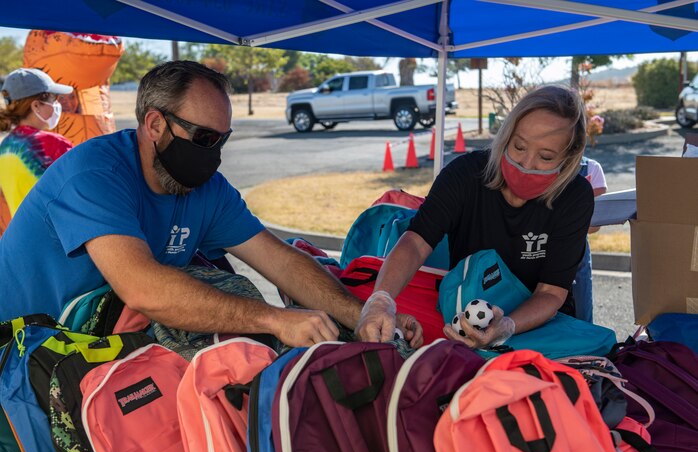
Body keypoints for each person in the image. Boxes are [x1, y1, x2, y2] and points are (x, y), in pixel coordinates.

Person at [0, 61, 422, 348]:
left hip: (96, 347)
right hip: (23, 351)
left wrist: (364, 314)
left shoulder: (205, 188)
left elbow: (283, 262)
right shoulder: (94, 175)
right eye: (203, 138)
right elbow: (143, 288)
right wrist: (274, 319)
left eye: (222, 140)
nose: (214, 154)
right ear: (154, 124)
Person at [355, 85, 593, 349]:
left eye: (546, 157)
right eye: (519, 146)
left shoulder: (575, 197)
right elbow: (416, 241)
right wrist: (381, 299)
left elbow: (551, 292)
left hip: (539, 326)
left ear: (569, 158)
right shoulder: (464, 175)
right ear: (506, 135)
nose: (527, 163)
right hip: (463, 318)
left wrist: (507, 326)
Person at [0, 68, 74, 236]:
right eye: (53, 98)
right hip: (59, 243)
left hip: (24, 241)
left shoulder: (5, 146)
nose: (58, 105)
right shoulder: (52, 143)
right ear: (36, 105)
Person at [572, 156, 607, 323]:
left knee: (581, 308)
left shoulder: (591, 168)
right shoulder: (540, 165)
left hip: (577, 250)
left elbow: (594, 225)